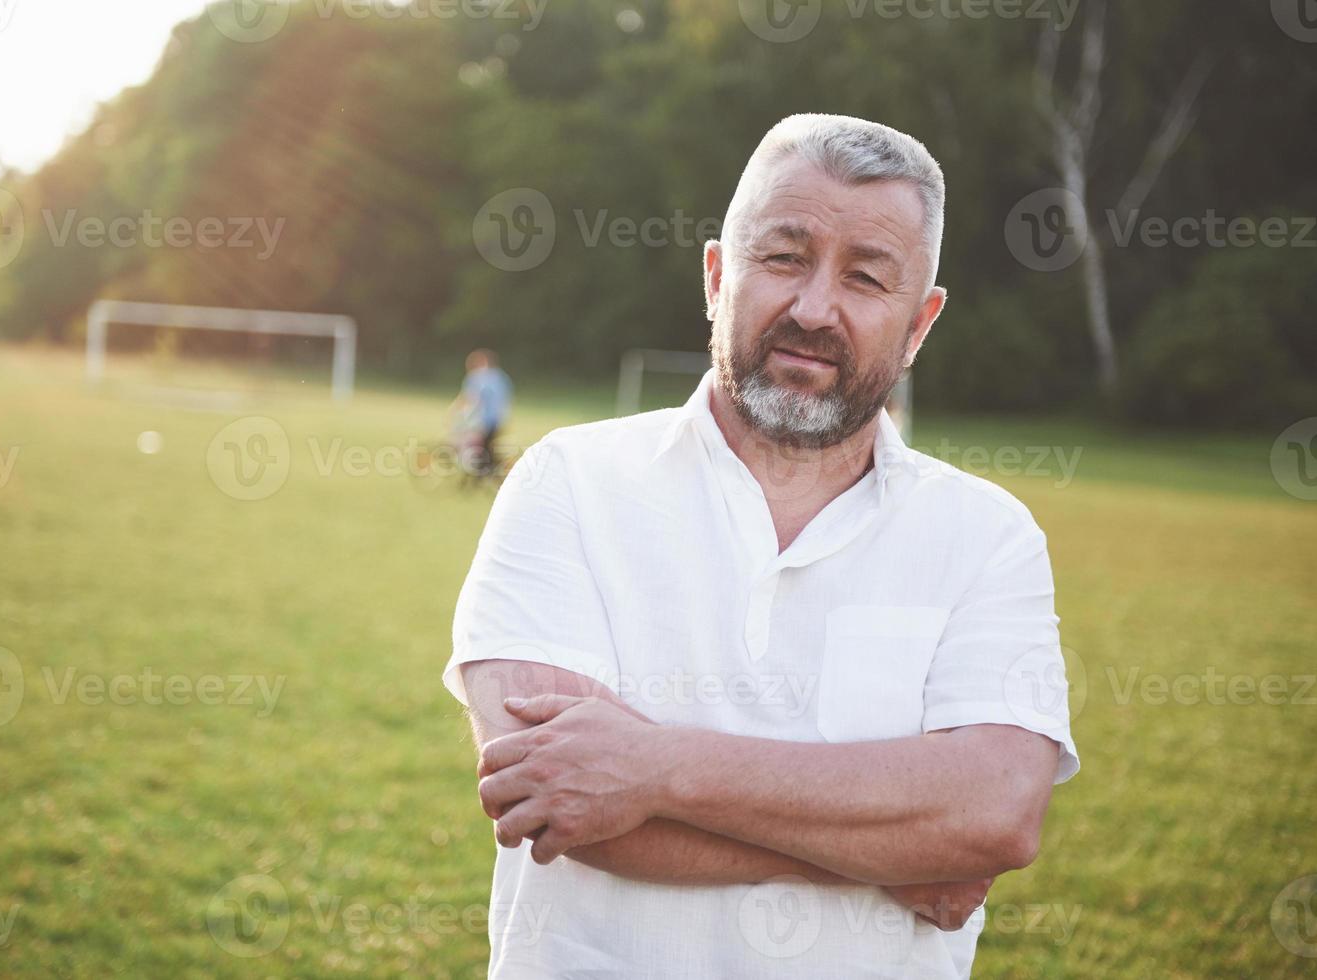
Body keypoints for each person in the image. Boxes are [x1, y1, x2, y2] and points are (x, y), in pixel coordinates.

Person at [442, 114, 1079, 978]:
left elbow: (997, 812)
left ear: (919, 323)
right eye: (782, 258)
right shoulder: (568, 481)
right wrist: (893, 849)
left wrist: (655, 767)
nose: (814, 307)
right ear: (715, 275)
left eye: (865, 277)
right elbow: (555, 798)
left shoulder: (987, 536)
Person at [452, 348, 512, 475]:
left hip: (483, 421)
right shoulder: (502, 378)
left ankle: (474, 469)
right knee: (487, 450)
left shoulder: (478, 378)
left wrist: (456, 413)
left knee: (463, 441)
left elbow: (471, 399)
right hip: (498, 420)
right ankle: (485, 470)